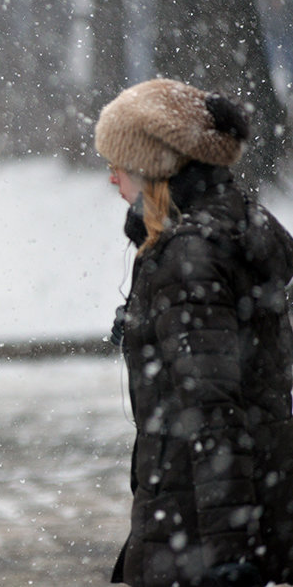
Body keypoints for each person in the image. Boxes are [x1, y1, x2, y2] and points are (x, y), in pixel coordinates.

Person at [95, 78, 293, 587]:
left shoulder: (189, 258)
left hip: (197, 528)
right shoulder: (230, 229)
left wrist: (229, 554)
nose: (112, 176)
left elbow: (214, 409)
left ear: (154, 167)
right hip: (232, 506)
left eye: (118, 162)